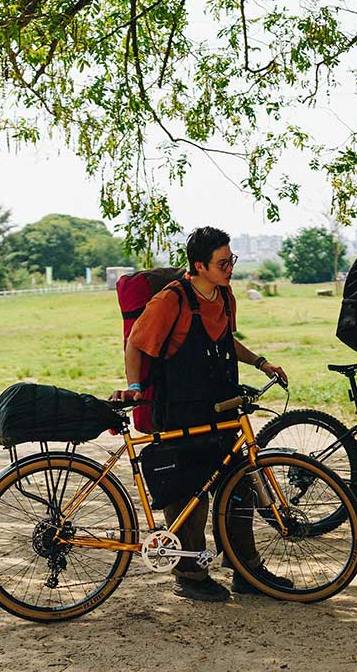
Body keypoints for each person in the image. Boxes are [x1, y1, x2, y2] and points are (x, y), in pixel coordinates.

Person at [114, 227, 290, 603]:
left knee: (240, 484)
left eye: (232, 260)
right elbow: (136, 345)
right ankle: (190, 575)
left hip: (220, 404)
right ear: (199, 266)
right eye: (222, 263)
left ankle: (246, 570)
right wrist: (133, 387)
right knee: (188, 494)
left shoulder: (224, 296)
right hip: (179, 409)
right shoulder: (170, 300)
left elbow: (225, 339)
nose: (230, 268)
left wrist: (260, 362)